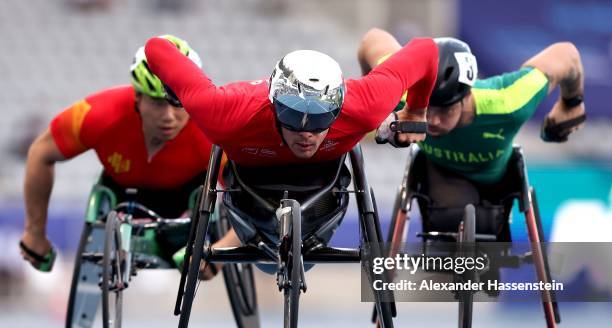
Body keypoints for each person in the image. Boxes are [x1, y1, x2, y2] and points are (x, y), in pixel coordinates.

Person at [142, 35, 439, 252]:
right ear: (273, 104)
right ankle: (223, 248)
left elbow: (426, 49)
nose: (306, 133)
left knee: (377, 41)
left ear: (337, 107)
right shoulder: (226, 111)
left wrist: (417, 109)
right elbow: (157, 47)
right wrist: (177, 87)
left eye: (321, 119)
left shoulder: (365, 104)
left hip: (324, 189)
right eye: (293, 117)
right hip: (249, 193)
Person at [20, 35, 230, 278]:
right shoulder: (97, 114)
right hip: (121, 195)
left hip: (186, 206)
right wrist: (34, 232)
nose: (169, 116)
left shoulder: (211, 129)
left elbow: (250, 200)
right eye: (157, 102)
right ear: (138, 98)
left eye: (177, 103)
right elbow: (41, 152)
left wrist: (219, 254)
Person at [359, 28, 586, 235]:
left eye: (445, 110)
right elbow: (373, 39)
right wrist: (375, 103)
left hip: (498, 186)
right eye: (427, 108)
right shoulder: (403, 91)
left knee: (487, 240)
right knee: (451, 216)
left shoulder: (508, 101)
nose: (434, 120)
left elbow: (567, 54)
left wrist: (572, 103)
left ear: (467, 95)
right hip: (439, 178)